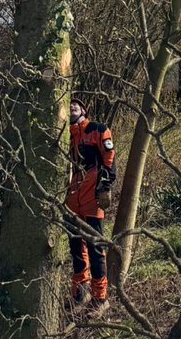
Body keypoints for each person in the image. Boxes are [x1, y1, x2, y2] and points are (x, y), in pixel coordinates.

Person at [67, 96, 116, 313]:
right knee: (76, 245)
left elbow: (109, 157)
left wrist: (105, 186)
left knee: (96, 245)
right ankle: (81, 291)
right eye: (69, 104)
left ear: (84, 109)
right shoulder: (63, 135)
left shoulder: (97, 129)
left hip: (92, 191)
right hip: (71, 194)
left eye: (76, 103)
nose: (72, 105)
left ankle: (100, 297)